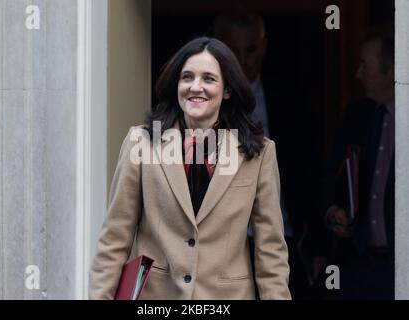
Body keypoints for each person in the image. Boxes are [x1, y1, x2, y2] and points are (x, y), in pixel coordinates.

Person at [89, 37, 291, 300]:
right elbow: (115, 238)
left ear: (227, 90)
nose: (196, 87)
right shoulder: (142, 142)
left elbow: (271, 252)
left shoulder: (258, 152)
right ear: (176, 85)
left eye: (208, 79)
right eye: (187, 78)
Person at [213, 11, 312, 298]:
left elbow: (309, 169)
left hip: (283, 239)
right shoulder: (198, 101)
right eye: (233, 51)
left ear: (264, 47)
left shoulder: (290, 99)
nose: (243, 61)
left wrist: (315, 242)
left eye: (251, 49)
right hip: (218, 246)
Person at [318, 31, 395, 299]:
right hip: (359, 262)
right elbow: (334, 174)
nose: (358, 74)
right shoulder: (359, 114)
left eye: (366, 65)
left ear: (392, 70)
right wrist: (336, 212)